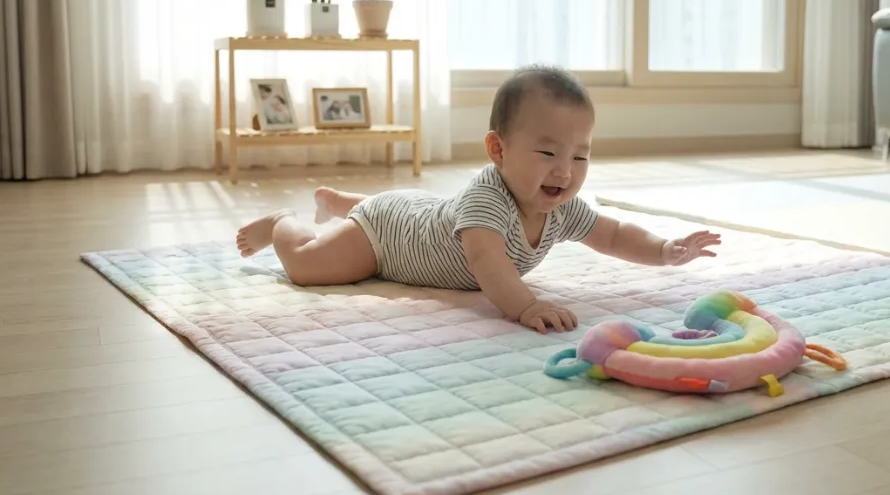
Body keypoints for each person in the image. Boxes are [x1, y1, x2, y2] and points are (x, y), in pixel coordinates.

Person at [235, 64, 721, 334]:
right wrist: (525, 307)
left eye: (580, 157)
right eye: (549, 152)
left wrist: (663, 250)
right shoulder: (488, 202)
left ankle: (341, 201)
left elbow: (612, 233)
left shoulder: (560, 204)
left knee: (400, 207)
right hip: (389, 239)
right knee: (307, 266)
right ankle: (283, 221)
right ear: (498, 150)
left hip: (418, 214)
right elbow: (488, 264)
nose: (565, 171)